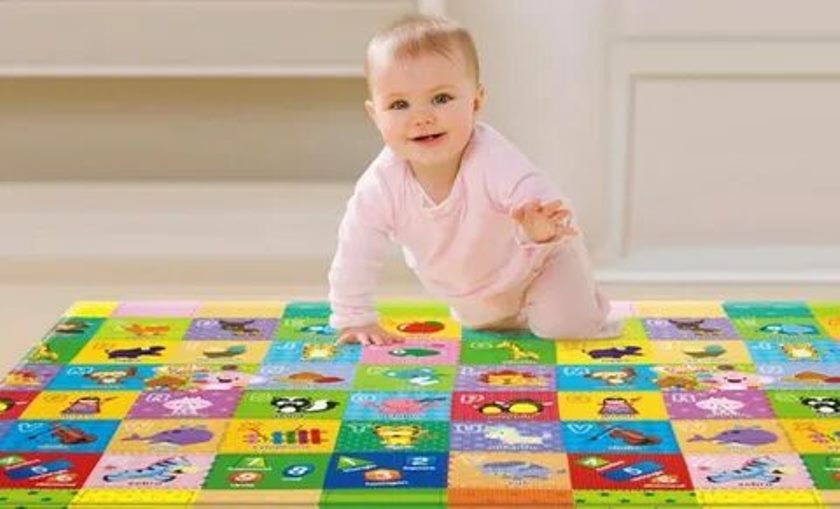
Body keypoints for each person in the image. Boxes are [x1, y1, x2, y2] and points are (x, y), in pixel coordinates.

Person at [328, 14, 619, 345]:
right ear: (375, 115)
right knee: (484, 325)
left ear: (476, 102)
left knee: (564, 327)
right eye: (399, 104)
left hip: (540, 263)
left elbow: (535, 195)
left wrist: (540, 227)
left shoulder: (492, 158)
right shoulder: (381, 185)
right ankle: (518, 313)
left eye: (441, 99)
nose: (422, 117)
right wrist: (355, 318)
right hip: (476, 293)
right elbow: (355, 251)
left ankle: (587, 303)